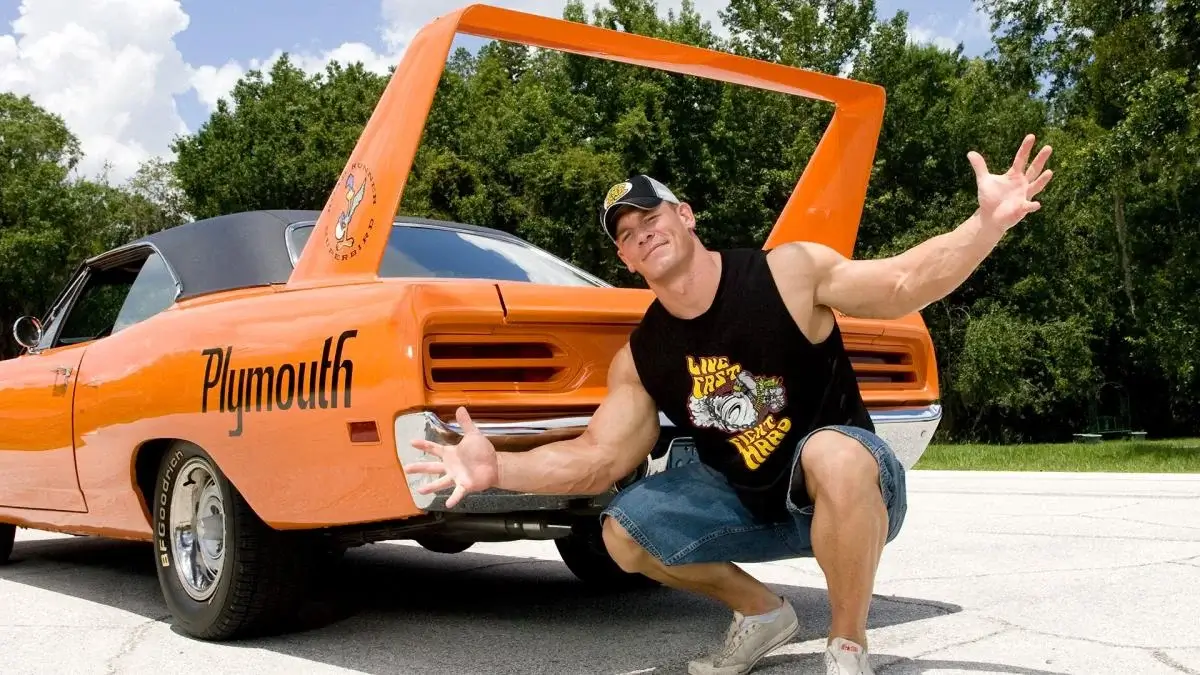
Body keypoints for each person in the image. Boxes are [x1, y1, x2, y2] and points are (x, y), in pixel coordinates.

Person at [407, 134, 1053, 674]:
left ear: (685, 215)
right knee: (623, 532)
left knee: (833, 452)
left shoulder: (787, 273)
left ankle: (847, 645)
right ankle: (762, 612)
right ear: (625, 260)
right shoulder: (643, 354)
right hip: (748, 502)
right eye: (627, 235)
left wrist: (984, 225)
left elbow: (903, 281)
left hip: (851, 493)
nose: (642, 234)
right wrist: (498, 467)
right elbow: (597, 458)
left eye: (651, 217)